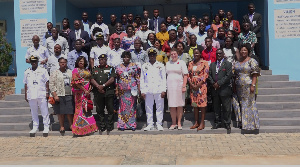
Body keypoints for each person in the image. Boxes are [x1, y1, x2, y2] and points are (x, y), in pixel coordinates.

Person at [232, 43, 260, 131]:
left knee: (248, 104)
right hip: (238, 86)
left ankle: (250, 125)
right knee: (239, 104)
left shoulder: (252, 61)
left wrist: (253, 85)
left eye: (245, 50)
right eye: (242, 50)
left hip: (248, 86)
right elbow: (234, 74)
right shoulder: (237, 61)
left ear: (248, 51)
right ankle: (242, 122)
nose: (243, 51)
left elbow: (255, 74)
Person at [71, 56, 98, 136]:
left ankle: (89, 127)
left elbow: (90, 80)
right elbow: (77, 82)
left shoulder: (87, 70)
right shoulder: (75, 70)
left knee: (87, 108)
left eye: (82, 61)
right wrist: (84, 90)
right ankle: (79, 129)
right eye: (79, 61)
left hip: (87, 93)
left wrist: (89, 89)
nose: (81, 62)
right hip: (79, 93)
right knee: (80, 109)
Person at [24, 55, 50, 137]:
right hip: (31, 94)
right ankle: (35, 127)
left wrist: (47, 92)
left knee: (44, 111)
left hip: (41, 93)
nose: (34, 63)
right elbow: (25, 83)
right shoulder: (27, 72)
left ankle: (46, 127)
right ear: (30, 62)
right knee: (33, 112)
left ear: (37, 61)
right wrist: (26, 94)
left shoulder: (43, 70)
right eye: (32, 61)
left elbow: (47, 82)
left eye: (35, 61)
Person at [140, 48, 166, 131]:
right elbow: (142, 79)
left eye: (153, 55)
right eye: (150, 55)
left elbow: (163, 78)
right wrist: (142, 90)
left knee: (159, 107)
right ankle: (150, 124)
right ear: (148, 56)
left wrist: (163, 90)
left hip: (158, 89)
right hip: (148, 90)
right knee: (148, 108)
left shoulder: (160, 65)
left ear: (156, 56)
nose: (152, 56)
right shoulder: (145, 66)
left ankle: (159, 124)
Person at [208, 49, 233, 133]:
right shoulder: (212, 64)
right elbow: (209, 75)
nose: (218, 55)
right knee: (216, 107)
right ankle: (217, 122)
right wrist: (213, 83)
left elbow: (228, 75)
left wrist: (219, 83)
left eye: (220, 53)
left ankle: (227, 123)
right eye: (217, 53)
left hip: (224, 89)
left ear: (223, 54)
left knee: (226, 108)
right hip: (215, 89)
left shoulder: (228, 64)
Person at [91, 54, 116, 134]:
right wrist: (98, 86)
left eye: (104, 59)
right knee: (99, 109)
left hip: (108, 92)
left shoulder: (111, 68)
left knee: (110, 109)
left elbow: (112, 79)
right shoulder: (95, 69)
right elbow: (92, 79)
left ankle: (110, 125)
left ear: (106, 60)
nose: (102, 61)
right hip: (98, 92)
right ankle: (102, 125)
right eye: (100, 60)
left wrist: (103, 86)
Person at [115, 51, 140, 131]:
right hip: (122, 90)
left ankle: (132, 124)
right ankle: (122, 125)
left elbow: (138, 77)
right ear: (122, 58)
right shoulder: (118, 67)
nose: (126, 58)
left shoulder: (134, 66)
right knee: (122, 107)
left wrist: (139, 88)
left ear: (130, 58)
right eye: (125, 57)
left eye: (128, 57)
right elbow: (116, 79)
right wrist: (116, 89)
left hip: (132, 90)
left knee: (132, 107)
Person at [49, 57, 74, 136]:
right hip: (59, 94)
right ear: (59, 63)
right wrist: (55, 95)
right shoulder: (55, 72)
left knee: (69, 111)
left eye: (64, 62)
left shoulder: (70, 72)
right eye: (61, 62)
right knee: (60, 112)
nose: (63, 64)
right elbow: (51, 84)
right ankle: (62, 126)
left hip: (69, 93)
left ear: (66, 63)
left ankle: (71, 125)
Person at [166, 48, 188, 130]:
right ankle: (173, 123)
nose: (173, 55)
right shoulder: (168, 63)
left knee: (179, 105)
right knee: (172, 105)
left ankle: (179, 123)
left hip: (179, 86)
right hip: (170, 87)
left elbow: (185, 75)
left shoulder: (181, 62)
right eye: (171, 54)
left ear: (177, 54)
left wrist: (184, 86)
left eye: (174, 54)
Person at [188, 48, 209, 131]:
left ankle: (202, 123)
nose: (196, 54)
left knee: (202, 105)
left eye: (197, 53)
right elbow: (188, 75)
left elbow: (206, 74)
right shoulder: (190, 63)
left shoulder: (204, 63)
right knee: (195, 105)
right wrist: (192, 84)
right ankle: (196, 122)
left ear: (200, 54)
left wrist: (199, 84)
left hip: (201, 86)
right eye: (194, 53)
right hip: (193, 86)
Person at [243, 3, 262, 67]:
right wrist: (248, 33)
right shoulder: (245, 17)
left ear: (254, 8)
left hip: (256, 35)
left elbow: (259, 25)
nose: (251, 8)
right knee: (247, 50)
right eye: (250, 7)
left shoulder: (258, 15)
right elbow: (244, 25)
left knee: (257, 51)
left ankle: (258, 65)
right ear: (248, 8)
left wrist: (252, 33)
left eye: (252, 7)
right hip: (246, 36)